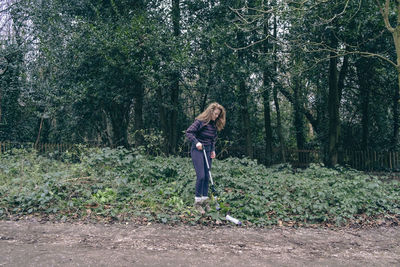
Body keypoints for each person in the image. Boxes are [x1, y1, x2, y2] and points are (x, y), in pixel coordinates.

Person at [185, 102, 226, 214]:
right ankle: (197, 203)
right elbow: (189, 132)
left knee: (207, 176)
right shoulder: (200, 122)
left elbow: (213, 139)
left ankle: (205, 201)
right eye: (215, 114)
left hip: (207, 151)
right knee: (201, 175)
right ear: (210, 111)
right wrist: (196, 142)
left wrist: (212, 150)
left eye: (218, 115)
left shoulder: (214, 125)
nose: (216, 116)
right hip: (198, 150)